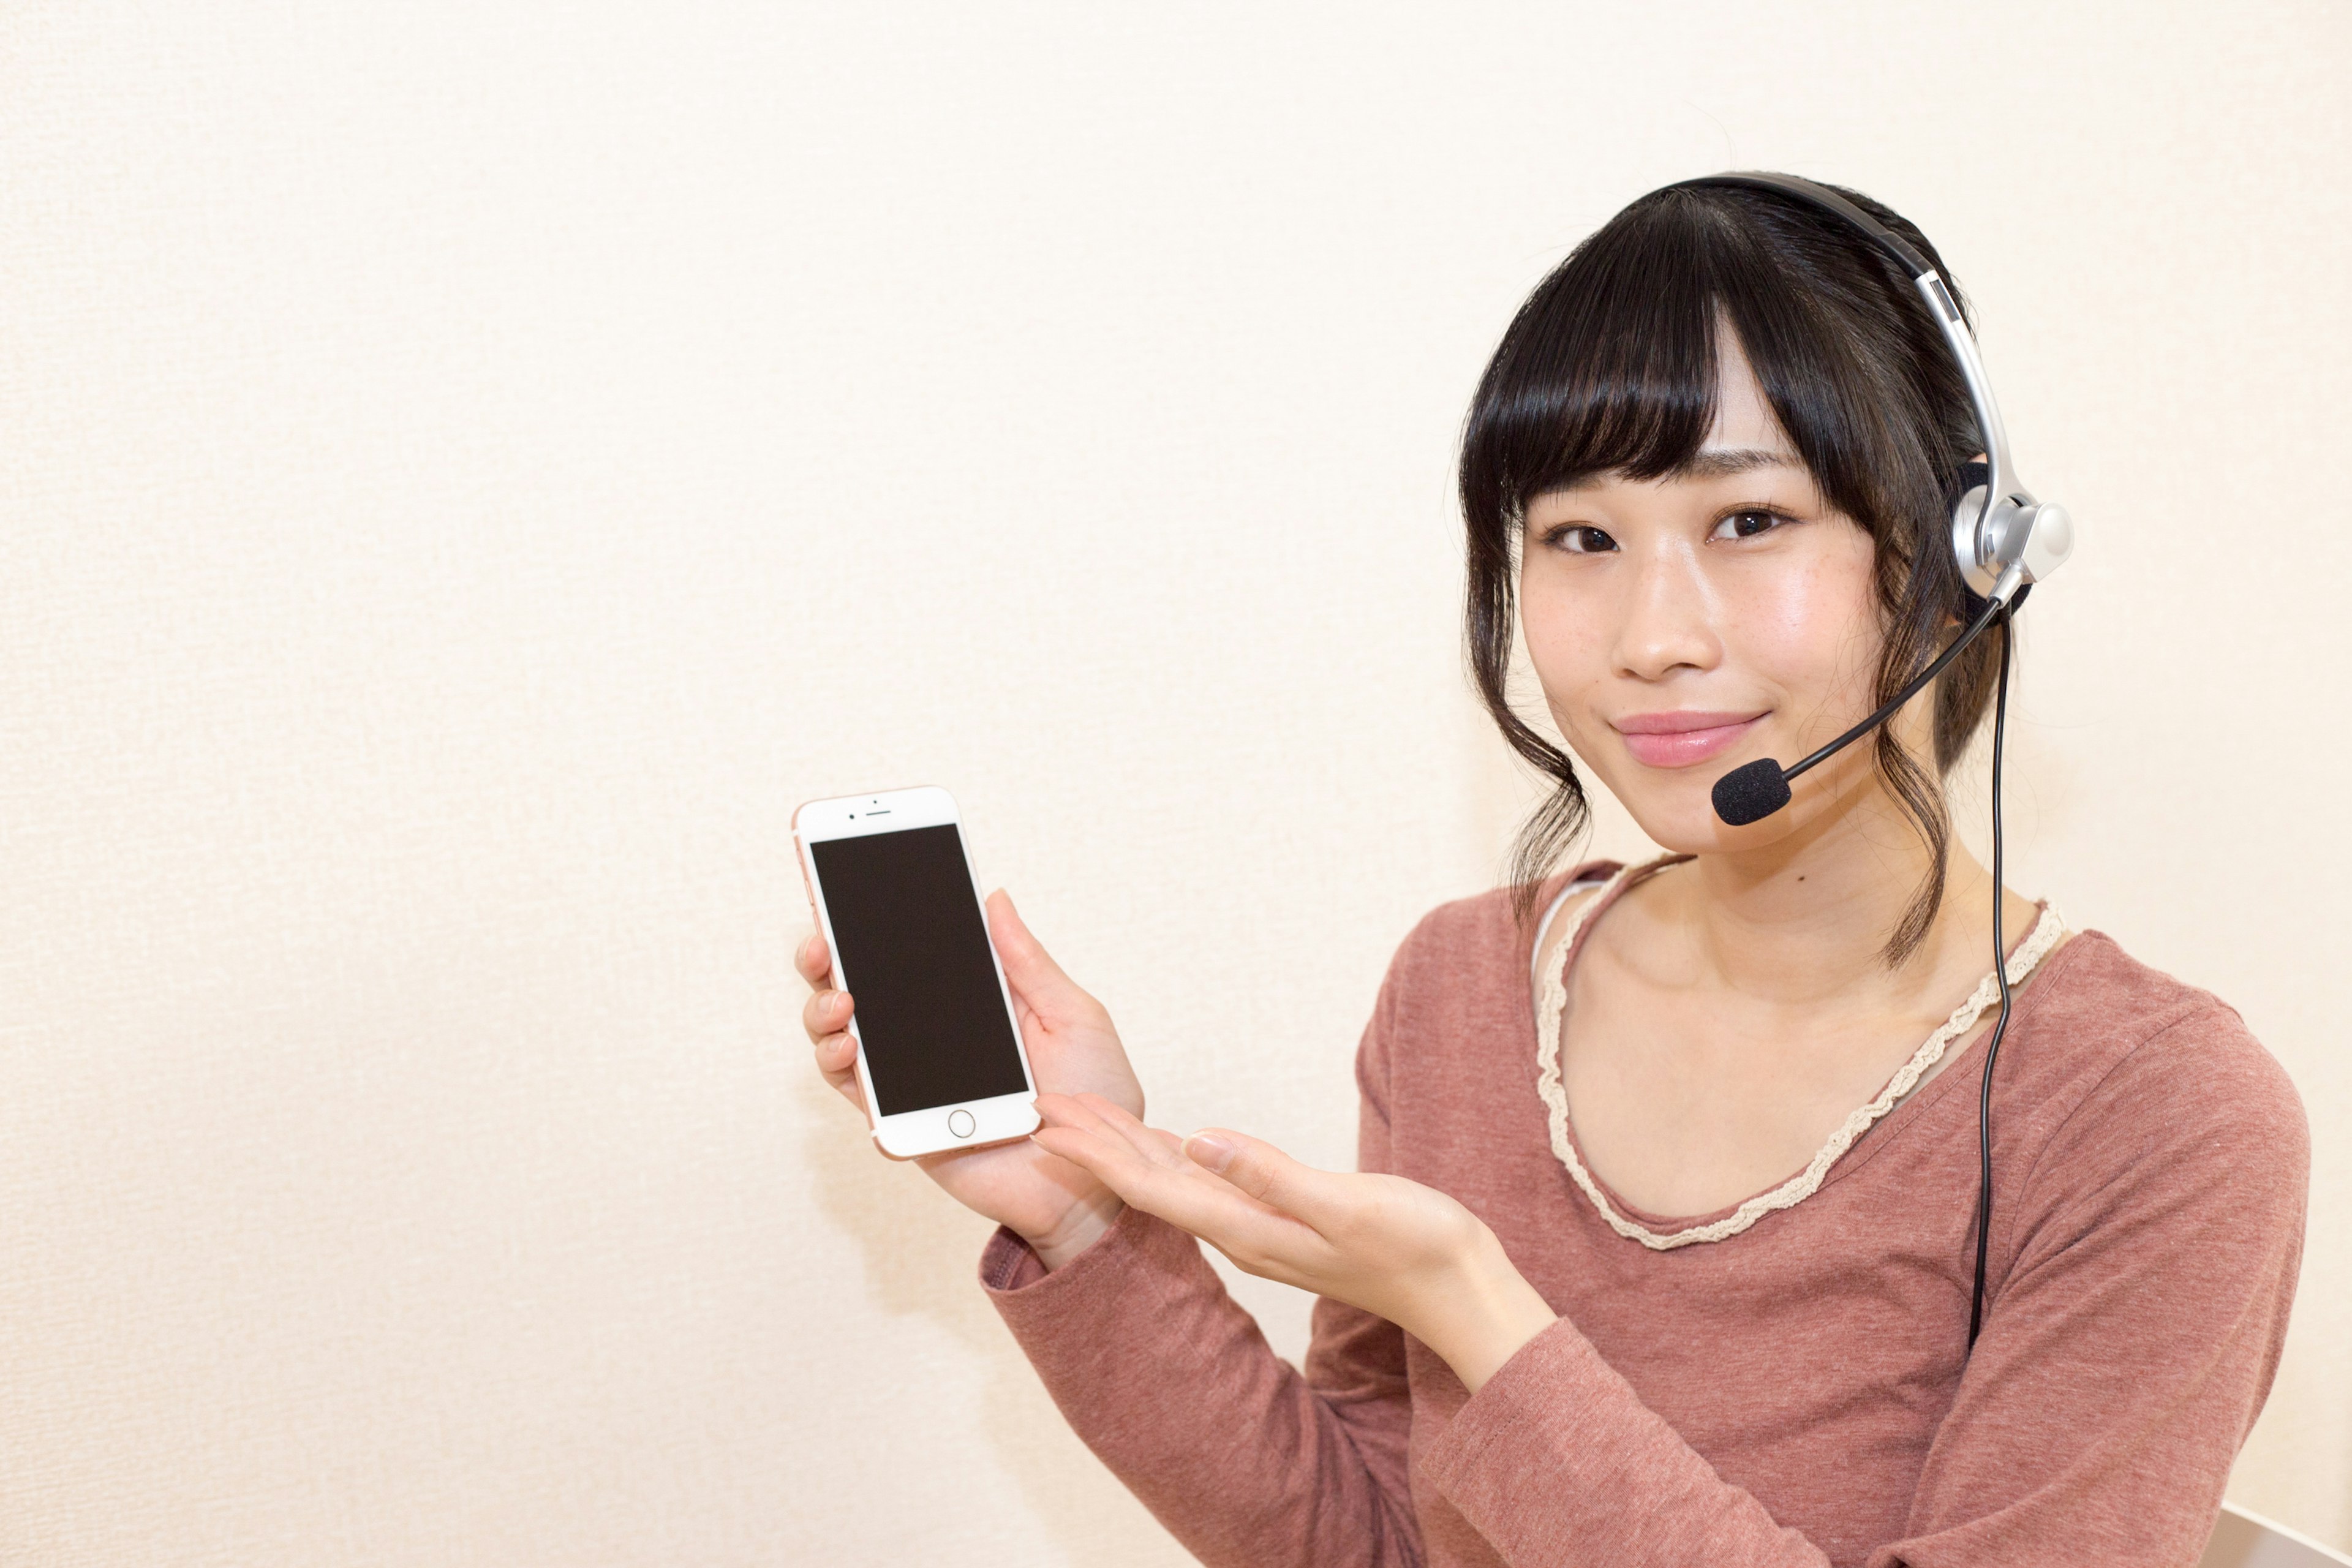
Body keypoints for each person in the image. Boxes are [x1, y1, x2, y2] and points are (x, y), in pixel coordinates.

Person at [794, 177, 2309, 1567]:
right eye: (1581, 534)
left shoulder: (2159, 1115)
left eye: (1750, 519)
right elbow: (1378, 1542)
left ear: (1960, 551)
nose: (1652, 634)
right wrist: (1084, 1218)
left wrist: (1479, 1310)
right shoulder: (1461, 986)